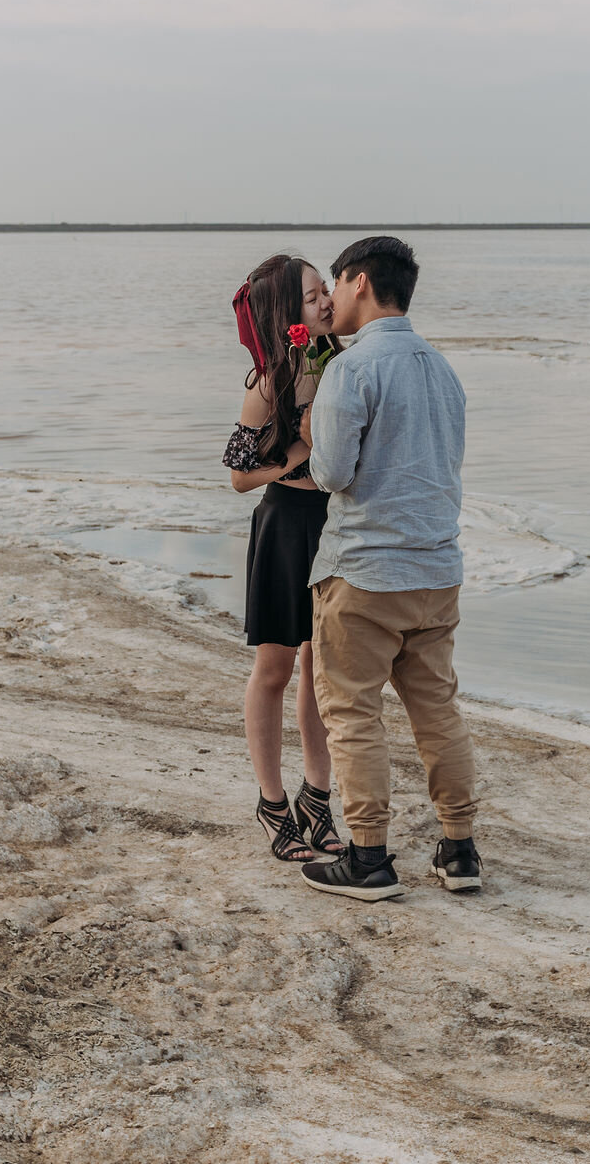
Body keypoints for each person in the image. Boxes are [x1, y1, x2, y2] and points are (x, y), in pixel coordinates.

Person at [297, 235, 480, 901]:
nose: (333, 300)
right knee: (437, 709)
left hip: (366, 571)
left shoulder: (353, 369)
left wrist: (313, 427)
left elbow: (333, 473)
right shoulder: (441, 368)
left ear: (361, 282)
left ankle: (368, 857)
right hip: (437, 568)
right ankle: (459, 849)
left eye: (338, 286)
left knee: (351, 712)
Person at [223, 253, 345, 863]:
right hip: (285, 523)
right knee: (275, 670)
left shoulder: (340, 364)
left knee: (323, 671)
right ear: (284, 313)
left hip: (339, 524)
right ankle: (272, 802)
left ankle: (318, 799)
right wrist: (303, 444)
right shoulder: (267, 381)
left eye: (326, 291)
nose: (325, 302)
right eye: (311, 296)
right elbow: (242, 478)